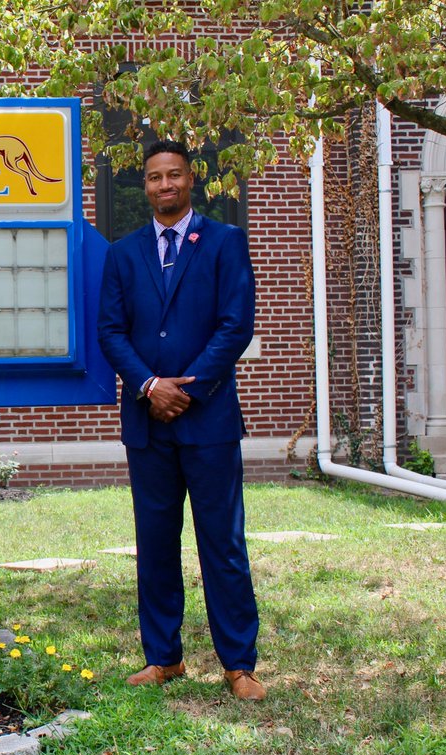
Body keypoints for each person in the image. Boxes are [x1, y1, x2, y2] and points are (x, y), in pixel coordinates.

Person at [97, 139, 265, 701]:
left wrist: (186, 388)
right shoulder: (122, 254)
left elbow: (235, 325)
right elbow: (111, 332)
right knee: (156, 542)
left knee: (222, 543)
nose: (164, 185)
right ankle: (163, 658)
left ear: (191, 180)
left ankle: (239, 664)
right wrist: (149, 386)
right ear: (142, 186)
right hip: (149, 423)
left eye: (174, 176)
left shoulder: (224, 242)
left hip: (208, 419)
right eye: (153, 178)